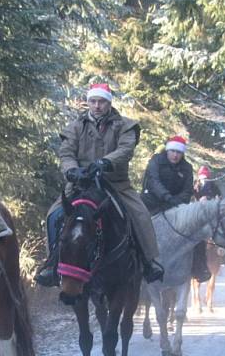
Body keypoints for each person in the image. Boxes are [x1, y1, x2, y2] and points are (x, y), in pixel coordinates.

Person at [35, 82, 164, 287]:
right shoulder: (75, 127)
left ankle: (149, 262)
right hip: (81, 185)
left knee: (140, 213)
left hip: (116, 184)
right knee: (54, 215)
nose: (97, 106)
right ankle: (52, 264)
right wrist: (72, 170)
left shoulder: (126, 125)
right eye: (93, 101)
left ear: (109, 103)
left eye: (101, 101)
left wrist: (105, 162)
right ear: (88, 103)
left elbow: (126, 149)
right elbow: (66, 153)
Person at [141, 136, 210, 283]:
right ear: (167, 150)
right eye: (172, 151)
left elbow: (187, 190)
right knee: (137, 227)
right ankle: (139, 264)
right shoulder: (156, 161)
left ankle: (199, 267)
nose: (175, 155)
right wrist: (166, 196)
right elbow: (153, 181)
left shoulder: (187, 167)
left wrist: (178, 201)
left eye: (178, 152)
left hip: (176, 206)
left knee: (196, 231)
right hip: (152, 202)